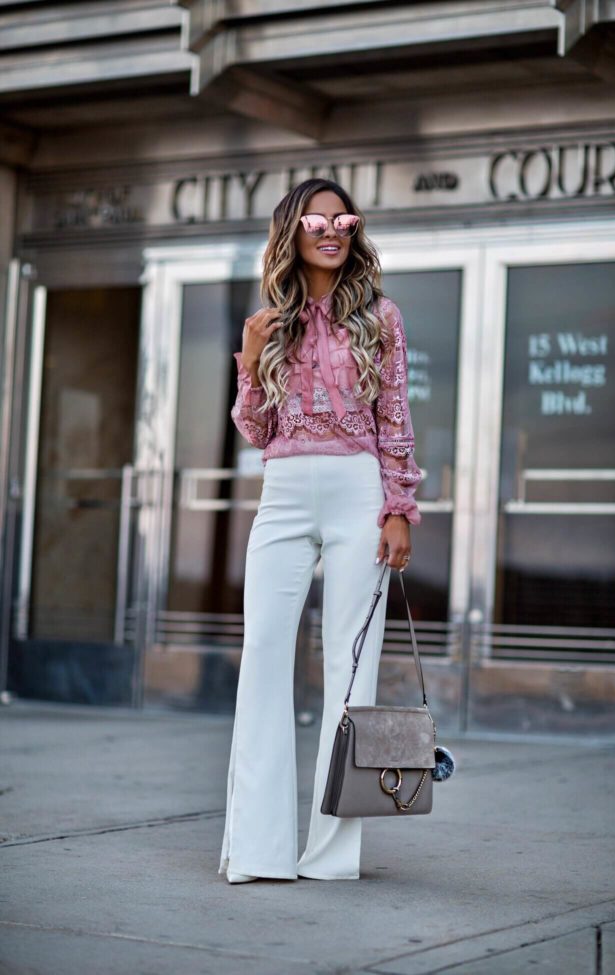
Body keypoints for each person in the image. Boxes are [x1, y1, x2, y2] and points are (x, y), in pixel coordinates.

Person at [219, 177, 423, 884]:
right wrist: (249, 358)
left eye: (344, 219)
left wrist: (400, 506)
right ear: (293, 231)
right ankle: (258, 849)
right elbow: (253, 428)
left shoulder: (382, 317)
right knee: (264, 660)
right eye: (316, 219)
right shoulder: (269, 320)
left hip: (356, 489)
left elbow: (395, 417)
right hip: (282, 490)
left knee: (351, 668)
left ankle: (333, 856)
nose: (332, 230)